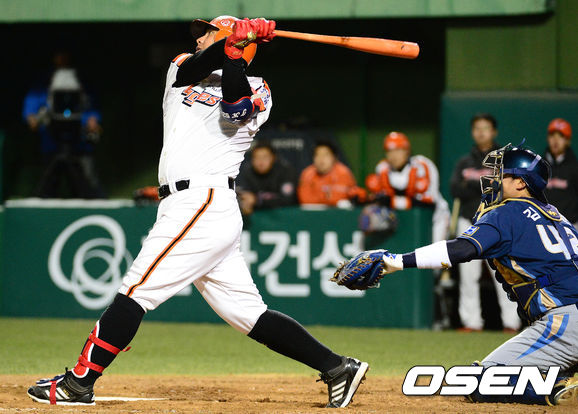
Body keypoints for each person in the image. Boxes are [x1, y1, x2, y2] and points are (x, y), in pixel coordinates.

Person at [26, 16, 368, 408]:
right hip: (187, 206)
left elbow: (235, 109)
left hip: (204, 202)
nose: (199, 38)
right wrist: (230, 45)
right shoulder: (182, 69)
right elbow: (194, 66)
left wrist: (235, 53)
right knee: (248, 315)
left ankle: (78, 383)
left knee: (135, 291)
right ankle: (338, 367)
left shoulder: (259, 89)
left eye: (208, 32)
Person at [335, 143, 578, 405]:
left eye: (502, 175)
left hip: (565, 323)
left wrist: (395, 261)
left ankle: (557, 391)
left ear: (521, 183)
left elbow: (461, 249)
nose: (493, 180)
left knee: (480, 382)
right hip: (570, 318)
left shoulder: (508, 212)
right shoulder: (557, 216)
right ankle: (562, 376)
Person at [450, 114, 520, 332]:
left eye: (485, 128)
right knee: (468, 275)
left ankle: (511, 322)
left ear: (494, 132)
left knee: (505, 273)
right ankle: (471, 322)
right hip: (469, 221)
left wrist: (473, 184)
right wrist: (486, 185)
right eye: (477, 128)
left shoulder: (505, 159)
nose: (481, 132)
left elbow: (508, 189)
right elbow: (455, 189)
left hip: (498, 221)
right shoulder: (464, 161)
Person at [22, 51, 105, 198]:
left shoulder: (82, 83)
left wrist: (92, 121)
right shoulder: (43, 84)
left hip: (80, 144)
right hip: (52, 143)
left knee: (90, 185)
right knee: (48, 185)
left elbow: (91, 109)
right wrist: (34, 117)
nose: (62, 59)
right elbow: (32, 110)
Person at [365, 131, 449, 243]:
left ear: (407, 151)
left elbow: (429, 202)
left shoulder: (422, 166)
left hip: (436, 218)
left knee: (436, 251)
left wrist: (393, 202)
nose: (393, 156)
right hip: (404, 222)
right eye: (389, 151)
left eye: (398, 150)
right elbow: (381, 199)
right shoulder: (382, 168)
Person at [236, 141, 297, 215]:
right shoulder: (247, 172)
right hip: (257, 218)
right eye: (257, 157)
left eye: (265, 157)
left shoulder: (286, 171)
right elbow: (244, 198)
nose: (261, 162)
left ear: (273, 158)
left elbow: (288, 200)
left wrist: (257, 200)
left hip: (285, 217)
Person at [297, 141, 362, 207]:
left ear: (334, 158)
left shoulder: (343, 173)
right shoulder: (307, 173)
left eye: (326, 155)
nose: (321, 159)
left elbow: (342, 197)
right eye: (317, 155)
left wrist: (322, 198)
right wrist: (326, 198)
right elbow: (305, 200)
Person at [544, 118, 578, 230]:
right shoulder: (541, 166)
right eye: (552, 136)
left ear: (568, 141)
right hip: (544, 224)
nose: (556, 140)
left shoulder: (575, 168)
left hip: (570, 225)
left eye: (561, 136)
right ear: (548, 138)